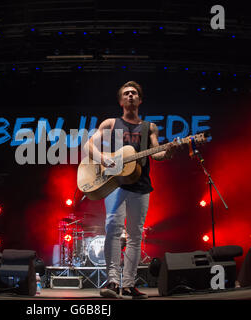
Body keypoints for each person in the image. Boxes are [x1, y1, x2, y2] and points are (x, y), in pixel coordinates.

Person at [86, 81, 180, 299]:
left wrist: (168, 152)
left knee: (136, 235)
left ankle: (128, 284)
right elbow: (88, 146)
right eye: (126, 93)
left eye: (134, 93)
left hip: (141, 184)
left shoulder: (150, 127)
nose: (130, 96)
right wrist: (104, 160)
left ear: (140, 100)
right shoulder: (110, 123)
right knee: (113, 229)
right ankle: (111, 281)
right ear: (121, 101)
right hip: (114, 183)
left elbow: (155, 154)